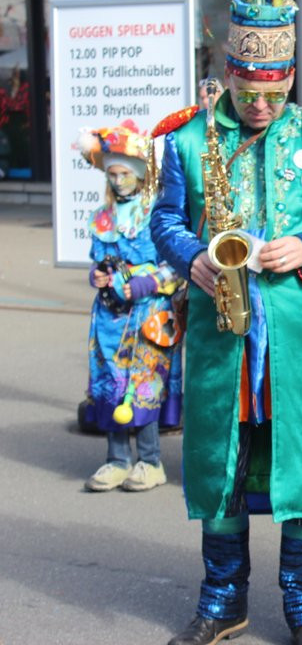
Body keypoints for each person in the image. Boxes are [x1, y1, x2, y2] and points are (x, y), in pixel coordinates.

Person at [150, 0, 302, 644]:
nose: (262, 102)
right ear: (230, 70)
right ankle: (222, 605)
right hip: (223, 333)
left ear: (288, 77)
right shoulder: (188, 141)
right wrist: (191, 258)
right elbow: (162, 218)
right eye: (250, 87)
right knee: (220, 469)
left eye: (275, 88)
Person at [80, 120, 182, 493]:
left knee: (144, 384)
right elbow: (99, 260)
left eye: (125, 173)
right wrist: (99, 276)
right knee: (111, 382)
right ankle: (117, 460)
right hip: (110, 315)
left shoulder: (158, 211)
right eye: (112, 174)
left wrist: (147, 283)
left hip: (151, 312)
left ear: (139, 174)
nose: (119, 180)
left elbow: (177, 264)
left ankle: (150, 461)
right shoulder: (102, 217)